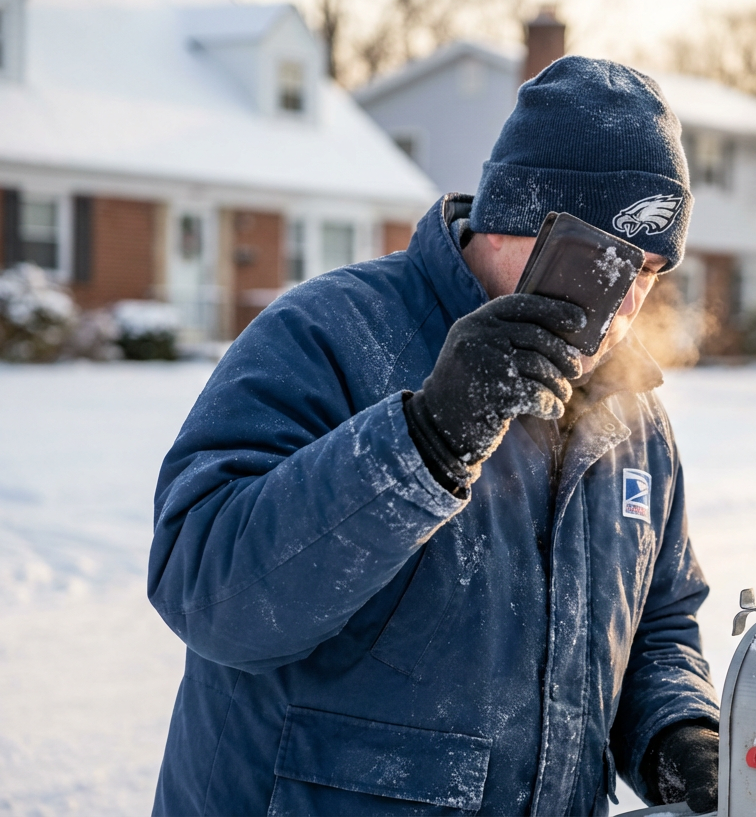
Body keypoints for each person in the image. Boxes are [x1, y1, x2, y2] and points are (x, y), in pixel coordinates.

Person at [147, 56, 721, 816]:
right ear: (518, 215)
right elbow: (208, 591)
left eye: (646, 271)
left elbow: (659, 619)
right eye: (600, 264)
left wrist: (676, 729)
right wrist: (427, 440)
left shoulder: (630, 412)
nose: (620, 310)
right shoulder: (330, 333)